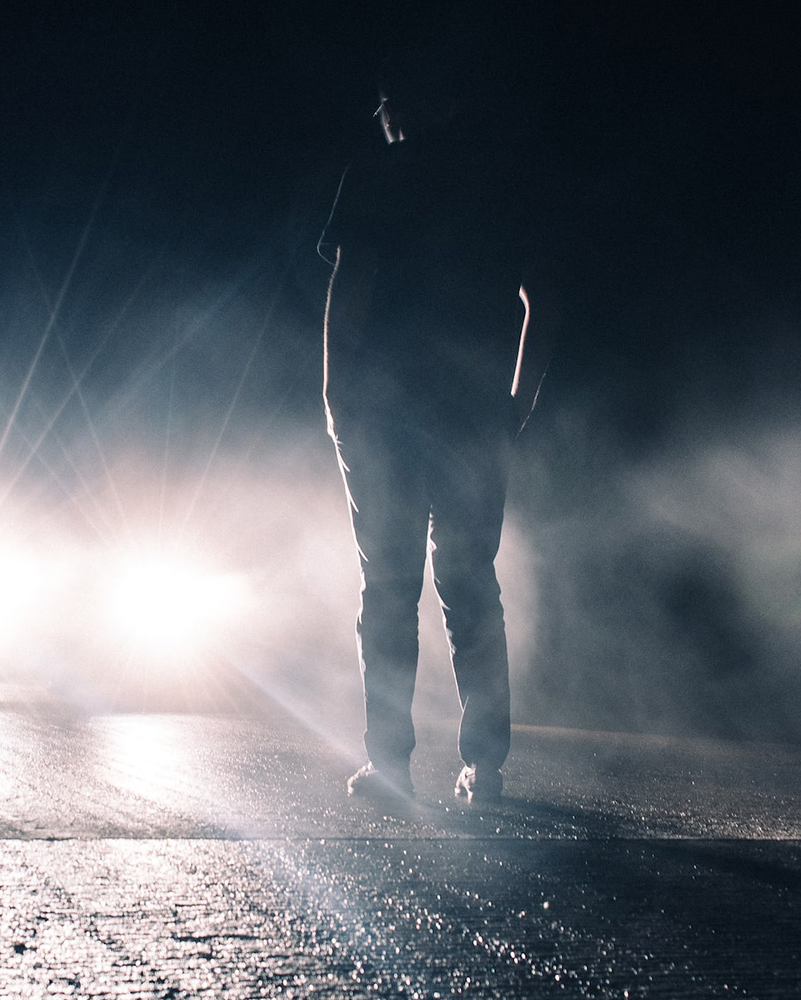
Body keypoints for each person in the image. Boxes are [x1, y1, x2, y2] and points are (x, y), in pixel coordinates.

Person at [320, 48, 557, 806]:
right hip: (473, 415)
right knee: (470, 588)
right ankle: (484, 769)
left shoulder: (377, 175)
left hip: (386, 413)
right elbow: (543, 303)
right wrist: (516, 403)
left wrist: (337, 398)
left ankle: (390, 765)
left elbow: (348, 294)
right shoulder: (505, 185)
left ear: (397, 106)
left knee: (388, 589)